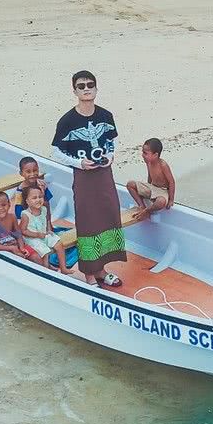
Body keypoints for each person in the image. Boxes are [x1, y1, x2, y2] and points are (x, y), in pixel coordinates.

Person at [51, 70, 125, 288]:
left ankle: (102, 269)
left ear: (96, 88)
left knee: (108, 218)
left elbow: (113, 140)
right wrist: (79, 163)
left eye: (90, 85)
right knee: (87, 223)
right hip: (84, 178)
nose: (86, 89)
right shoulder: (67, 121)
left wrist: (110, 156)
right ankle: (89, 274)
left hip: (104, 175)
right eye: (81, 86)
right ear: (74, 90)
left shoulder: (105, 116)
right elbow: (55, 151)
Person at [18, 184, 72, 273]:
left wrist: (48, 230)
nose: (38, 200)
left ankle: (63, 268)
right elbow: (23, 231)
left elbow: (46, 220)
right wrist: (37, 234)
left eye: (40, 197)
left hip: (44, 234)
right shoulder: (26, 215)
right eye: (34, 198)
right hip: (32, 238)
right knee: (45, 252)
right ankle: (46, 270)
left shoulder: (43, 209)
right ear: (27, 201)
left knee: (59, 244)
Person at [0, 191, 44, 264]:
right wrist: (11, 248)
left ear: (9, 204)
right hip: (4, 248)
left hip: (17, 244)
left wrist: (22, 247)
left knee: (36, 258)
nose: (1, 208)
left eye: (4, 205)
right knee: (21, 259)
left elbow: (18, 234)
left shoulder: (12, 217)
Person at [126, 138, 175, 214]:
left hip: (163, 190)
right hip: (152, 187)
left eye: (145, 153)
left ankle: (146, 211)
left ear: (155, 155)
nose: (142, 155)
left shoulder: (163, 165)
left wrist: (171, 200)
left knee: (160, 202)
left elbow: (171, 182)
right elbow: (150, 177)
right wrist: (146, 190)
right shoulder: (149, 162)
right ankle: (141, 206)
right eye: (142, 152)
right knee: (130, 184)